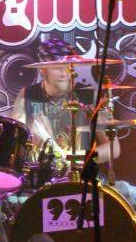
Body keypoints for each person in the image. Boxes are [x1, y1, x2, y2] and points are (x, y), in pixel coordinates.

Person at [10, 38, 118, 168]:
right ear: (42, 69)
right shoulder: (27, 95)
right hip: (40, 173)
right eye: (57, 67)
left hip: (80, 174)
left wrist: (79, 158)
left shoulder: (88, 95)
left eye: (68, 66)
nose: (64, 73)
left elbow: (113, 147)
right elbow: (14, 141)